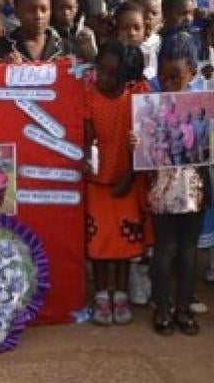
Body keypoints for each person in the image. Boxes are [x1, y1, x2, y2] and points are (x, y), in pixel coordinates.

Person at [83, 40, 149, 326]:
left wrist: (130, 176)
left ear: (128, 77)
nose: (103, 78)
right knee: (98, 243)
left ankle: (120, 294)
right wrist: (86, 159)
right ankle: (100, 295)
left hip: (128, 180)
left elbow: (147, 140)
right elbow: (86, 139)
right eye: (101, 71)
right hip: (97, 182)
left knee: (123, 242)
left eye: (112, 74)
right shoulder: (89, 95)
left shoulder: (138, 95)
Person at [144, 34, 205, 335]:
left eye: (176, 77)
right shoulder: (148, 99)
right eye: (163, 76)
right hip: (161, 182)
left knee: (188, 248)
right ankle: (162, 306)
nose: (168, 83)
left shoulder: (205, 98)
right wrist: (136, 140)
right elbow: (144, 141)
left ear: (192, 73)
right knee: (165, 246)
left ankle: (183, 307)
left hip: (195, 183)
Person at [0, 0, 73, 63]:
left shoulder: (67, 49)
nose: (38, 16)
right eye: (31, 10)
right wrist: (2, 68)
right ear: (17, 12)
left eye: (44, 10)